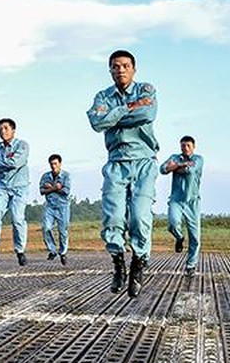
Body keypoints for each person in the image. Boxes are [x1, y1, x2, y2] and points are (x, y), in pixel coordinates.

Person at [87, 49, 159, 297]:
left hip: (143, 161)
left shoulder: (146, 90)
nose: (121, 70)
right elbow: (96, 123)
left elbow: (147, 113)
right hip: (116, 162)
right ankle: (118, 263)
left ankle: (139, 262)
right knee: (113, 218)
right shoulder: (102, 95)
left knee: (139, 216)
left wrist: (113, 116)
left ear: (134, 69)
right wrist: (128, 109)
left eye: (126, 66)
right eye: (116, 66)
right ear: (110, 70)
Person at [0, 118, 30, 265]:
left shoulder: (22, 145)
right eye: (0, 129)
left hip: (19, 188)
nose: (2, 131)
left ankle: (20, 251)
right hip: (2, 187)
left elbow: (15, 163)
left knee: (17, 218)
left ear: (13, 130)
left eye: (6, 128)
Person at [160, 135, 204, 276]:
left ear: (193, 147)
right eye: (183, 145)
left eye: (188, 146)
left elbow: (189, 170)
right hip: (176, 199)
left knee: (195, 237)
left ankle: (191, 265)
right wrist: (179, 165)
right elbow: (162, 169)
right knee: (172, 224)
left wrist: (174, 168)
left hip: (192, 202)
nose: (185, 148)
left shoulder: (198, 159)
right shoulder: (175, 157)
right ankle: (179, 238)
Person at [39, 154, 71, 265]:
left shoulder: (66, 176)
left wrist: (50, 188)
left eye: (55, 164)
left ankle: (63, 253)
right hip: (50, 206)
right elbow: (42, 191)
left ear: (60, 164)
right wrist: (55, 187)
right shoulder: (45, 176)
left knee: (63, 231)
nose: (53, 166)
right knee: (46, 227)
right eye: (51, 164)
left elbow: (66, 191)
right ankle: (52, 250)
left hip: (63, 206)